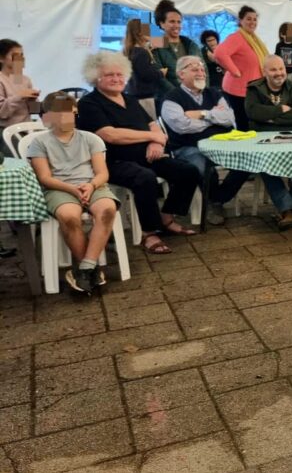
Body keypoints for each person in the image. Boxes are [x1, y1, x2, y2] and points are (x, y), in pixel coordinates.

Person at [77, 51, 200, 256]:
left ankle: (166, 218)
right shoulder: (89, 103)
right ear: (95, 77)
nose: (116, 79)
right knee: (145, 178)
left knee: (188, 171)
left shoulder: (129, 99)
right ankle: (149, 233)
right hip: (111, 162)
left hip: (145, 155)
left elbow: (153, 125)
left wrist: (157, 143)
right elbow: (110, 135)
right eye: (109, 75)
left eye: (119, 74)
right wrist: (151, 137)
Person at [27, 92, 119, 294]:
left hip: (92, 185)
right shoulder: (39, 143)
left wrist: (91, 186)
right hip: (59, 188)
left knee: (107, 209)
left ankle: (85, 268)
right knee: (69, 216)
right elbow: (45, 178)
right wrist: (72, 189)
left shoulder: (90, 138)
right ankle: (91, 269)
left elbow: (102, 173)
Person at [161, 56, 251, 225]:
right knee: (204, 166)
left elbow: (229, 120)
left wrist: (202, 114)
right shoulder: (171, 98)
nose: (201, 73)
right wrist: (213, 118)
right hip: (188, 147)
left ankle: (216, 199)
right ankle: (214, 203)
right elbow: (182, 126)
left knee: (247, 161)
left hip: (222, 143)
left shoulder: (214, 93)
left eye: (202, 69)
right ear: (181, 74)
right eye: (194, 69)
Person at [245, 55, 292, 230]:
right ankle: (290, 210)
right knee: (266, 165)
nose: (279, 73)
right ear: (264, 71)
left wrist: (270, 118)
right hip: (264, 141)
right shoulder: (254, 89)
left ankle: (287, 210)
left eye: (281, 69)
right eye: (273, 69)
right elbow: (253, 113)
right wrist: (280, 109)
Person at [213, 5, 266, 131]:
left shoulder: (253, 39)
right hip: (238, 91)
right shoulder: (237, 37)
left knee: (251, 124)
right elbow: (219, 53)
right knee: (243, 126)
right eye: (248, 19)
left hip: (252, 90)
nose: (252, 22)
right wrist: (235, 71)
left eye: (254, 19)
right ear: (240, 20)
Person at [151, 0, 202, 97]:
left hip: (195, 96)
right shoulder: (155, 46)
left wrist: (201, 91)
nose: (176, 25)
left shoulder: (192, 45)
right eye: (172, 22)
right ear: (161, 24)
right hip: (169, 98)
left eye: (179, 22)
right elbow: (159, 78)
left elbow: (204, 72)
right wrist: (180, 95)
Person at [0, 39, 40, 154]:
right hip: (6, 130)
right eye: (15, 56)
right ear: (1, 58)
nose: (20, 59)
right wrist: (19, 96)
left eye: (22, 55)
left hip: (26, 127)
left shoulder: (25, 79)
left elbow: (34, 110)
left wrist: (34, 100)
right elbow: (2, 113)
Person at [122, 19, 166, 119]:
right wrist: (161, 73)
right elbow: (147, 75)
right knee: (149, 126)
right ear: (140, 33)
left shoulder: (129, 51)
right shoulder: (142, 52)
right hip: (145, 98)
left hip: (133, 93)